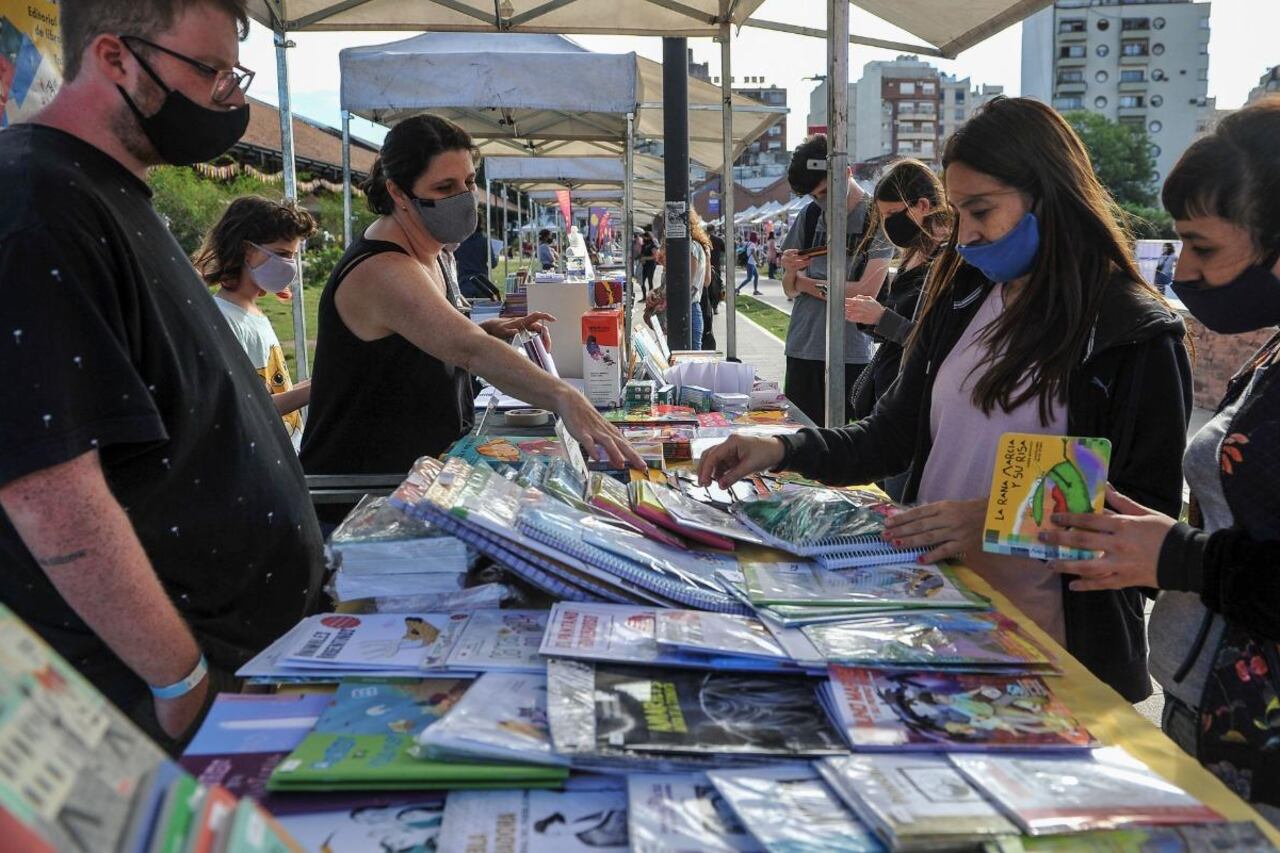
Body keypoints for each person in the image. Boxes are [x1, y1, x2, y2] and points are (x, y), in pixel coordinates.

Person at [699, 97, 1192, 702]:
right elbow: (887, 436)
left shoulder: (1132, 333)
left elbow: (1145, 527)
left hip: (1054, 655)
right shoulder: (962, 292)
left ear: (1050, 193)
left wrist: (994, 521)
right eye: (958, 213)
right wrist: (780, 446)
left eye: (982, 210)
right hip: (934, 616)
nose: (968, 235)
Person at [0, 0, 324, 749]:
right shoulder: (36, 202)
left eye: (234, 73)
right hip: (167, 705)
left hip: (236, 672)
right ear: (114, 58)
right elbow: (47, 486)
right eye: (209, 71)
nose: (231, 98)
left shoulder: (106, 191)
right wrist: (180, 682)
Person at [1035, 97, 1280, 818]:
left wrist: (1180, 556)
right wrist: (1158, 535)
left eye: (1204, 247)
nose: (1187, 273)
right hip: (1209, 700)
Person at [300, 114, 641, 518]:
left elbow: (431, 337)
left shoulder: (436, 250)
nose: (464, 196)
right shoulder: (382, 270)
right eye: (444, 187)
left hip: (418, 480)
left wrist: (492, 329)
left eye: (469, 182)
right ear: (398, 192)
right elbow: (468, 349)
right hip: (361, 498)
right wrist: (563, 395)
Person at [845, 158, 952, 500]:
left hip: (915, 410)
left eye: (893, 215)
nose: (888, 225)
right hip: (889, 396)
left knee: (897, 504)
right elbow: (898, 332)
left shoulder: (946, 261)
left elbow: (937, 344)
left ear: (923, 205)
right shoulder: (912, 254)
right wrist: (871, 319)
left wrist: (882, 319)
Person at [780, 134, 894, 427]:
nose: (821, 201)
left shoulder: (875, 217)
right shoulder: (809, 216)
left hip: (851, 353)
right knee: (801, 445)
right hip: (803, 347)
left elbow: (865, 292)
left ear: (846, 172)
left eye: (825, 192)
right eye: (814, 196)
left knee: (845, 447)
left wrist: (805, 282)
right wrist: (792, 272)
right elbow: (789, 288)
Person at [195, 195, 314, 451]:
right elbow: (249, 407)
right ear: (245, 250)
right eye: (282, 253)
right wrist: (313, 391)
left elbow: (273, 388)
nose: (290, 265)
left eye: (292, 256)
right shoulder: (224, 319)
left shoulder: (254, 313)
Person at [454, 226, 497, 298]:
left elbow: (454, 260)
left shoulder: (459, 242)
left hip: (464, 282)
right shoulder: (484, 241)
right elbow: (493, 264)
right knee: (484, 308)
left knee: (464, 308)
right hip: (482, 282)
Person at [640, 227, 658, 297]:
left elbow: (655, 256)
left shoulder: (653, 245)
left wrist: (645, 258)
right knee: (642, 281)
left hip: (651, 264)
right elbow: (642, 253)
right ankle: (644, 296)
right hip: (644, 265)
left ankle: (651, 296)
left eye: (645, 237)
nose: (643, 239)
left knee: (650, 281)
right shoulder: (644, 245)